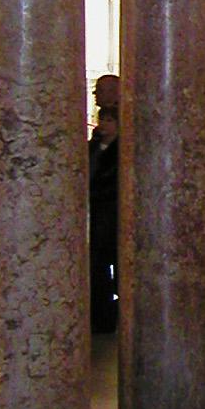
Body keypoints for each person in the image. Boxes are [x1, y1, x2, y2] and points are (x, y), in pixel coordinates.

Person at [89, 98, 120, 334]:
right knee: (96, 267)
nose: (105, 125)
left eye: (110, 120)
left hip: (111, 214)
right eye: (103, 120)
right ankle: (100, 314)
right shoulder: (92, 147)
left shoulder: (121, 151)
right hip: (94, 213)